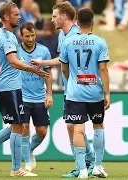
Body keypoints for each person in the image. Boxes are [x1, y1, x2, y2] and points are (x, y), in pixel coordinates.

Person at [0, 2, 49, 177]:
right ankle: (15, 169)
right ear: (6, 17)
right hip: (8, 87)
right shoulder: (5, 36)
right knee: (18, 126)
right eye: (15, 14)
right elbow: (13, 61)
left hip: (12, 87)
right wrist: (33, 70)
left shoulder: (8, 35)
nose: (19, 16)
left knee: (18, 125)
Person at [31, 2, 95, 178]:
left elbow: (63, 62)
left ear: (64, 16)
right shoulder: (62, 35)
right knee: (71, 126)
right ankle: (90, 162)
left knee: (75, 126)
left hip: (81, 88)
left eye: (54, 16)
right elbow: (62, 59)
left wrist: (42, 63)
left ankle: (88, 163)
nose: (51, 20)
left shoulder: (76, 35)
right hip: (70, 88)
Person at [60, 8, 110, 179]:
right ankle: (97, 166)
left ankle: (82, 170)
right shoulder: (100, 42)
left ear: (77, 22)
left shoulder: (68, 42)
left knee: (78, 131)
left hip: (75, 93)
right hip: (95, 92)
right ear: (93, 22)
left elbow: (64, 68)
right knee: (98, 126)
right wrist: (107, 92)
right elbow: (103, 68)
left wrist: (72, 81)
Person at [17, 22, 53, 172]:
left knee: (42, 132)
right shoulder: (16, 51)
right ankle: (27, 163)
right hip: (23, 97)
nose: (31, 39)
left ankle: (29, 150)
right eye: (27, 36)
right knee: (24, 128)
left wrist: (49, 93)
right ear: (21, 35)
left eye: (33, 35)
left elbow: (49, 74)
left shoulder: (44, 51)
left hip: (39, 97)